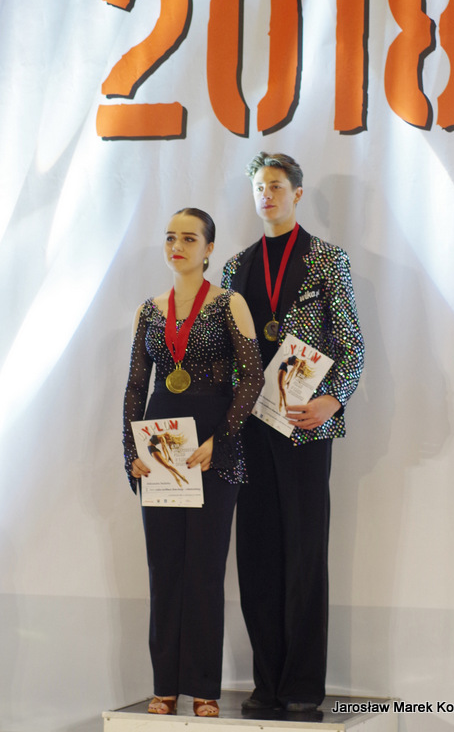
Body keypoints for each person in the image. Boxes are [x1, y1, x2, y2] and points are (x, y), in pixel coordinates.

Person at [222, 153, 364, 713]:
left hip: (304, 426)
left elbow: (351, 344)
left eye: (277, 186)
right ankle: (266, 682)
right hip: (250, 428)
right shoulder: (235, 268)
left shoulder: (327, 259)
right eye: (260, 186)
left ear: (298, 194)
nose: (268, 195)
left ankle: (302, 687)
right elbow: (229, 352)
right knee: (256, 554)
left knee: (304, 553)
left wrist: (333, 399)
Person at [123, 208, 264, 718]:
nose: (177, 246)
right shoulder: (149, 310)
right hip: (160, 448)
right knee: (164, 569)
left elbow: (252, 377)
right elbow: (136, 385)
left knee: (204, 570)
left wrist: (219, 441)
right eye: (170, 238)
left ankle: (204, 687)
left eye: (188, 238)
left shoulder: (229, 303)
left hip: (211, 450)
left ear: (209, 249)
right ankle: (164, 686)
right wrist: (131, 451)